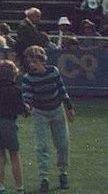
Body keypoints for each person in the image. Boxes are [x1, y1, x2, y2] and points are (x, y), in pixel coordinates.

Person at [21, 45, 75, 193]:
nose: (32, 65)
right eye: (30, 62)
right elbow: (27, 95)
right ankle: (44, 178)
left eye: (35, 61)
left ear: (42, 60)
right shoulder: (28, 78)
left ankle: (63, 173)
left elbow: (62, 89)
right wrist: (26, 106)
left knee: (63, 144)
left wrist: (69, 107)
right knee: (42, 146)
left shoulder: (53, 72)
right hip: (40, 113)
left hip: (57, 110)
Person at [0, 59, 29, 194]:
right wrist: (27, 109)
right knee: (14, 155)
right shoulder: (16, 90)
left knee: (0, 155)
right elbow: (20, 109)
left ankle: (0, 187)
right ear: (14, 74)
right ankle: (19, 187)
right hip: (8, 123)